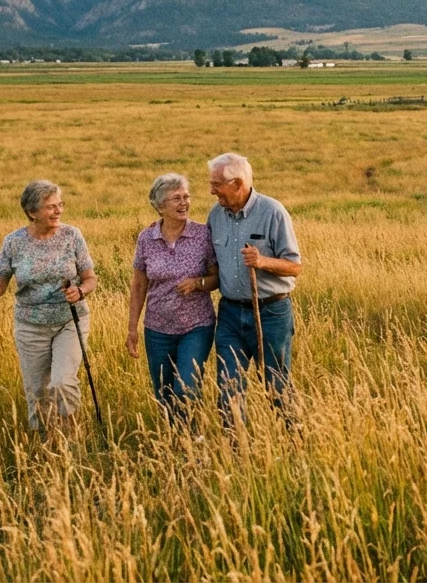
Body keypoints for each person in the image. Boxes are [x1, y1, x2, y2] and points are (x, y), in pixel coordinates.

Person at [0, 180, 98, 434]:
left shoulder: (72, 236)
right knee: (38, 392)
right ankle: (45, 446)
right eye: (50, 207)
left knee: (62, 382)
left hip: (69, 321)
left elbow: (90, 279)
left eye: (60, 205)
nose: (58, 211)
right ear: (32, 212)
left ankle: (71, 440)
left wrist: (80, 291)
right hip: (30, 326)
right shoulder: (14, 242)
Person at [206, 153, 303, 428]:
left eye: (216, 184)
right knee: (228, 388)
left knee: (276, 385)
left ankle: (294, 439)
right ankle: (236, 450)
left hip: (271, 312)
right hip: (230, 313)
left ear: (237, 184)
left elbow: (294, 266)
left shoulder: (273, 212)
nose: (212, 191)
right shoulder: (215, 214)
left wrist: (262, 262)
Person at [127, 173, 220, 424]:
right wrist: (132, 328)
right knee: (164, 394)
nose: (184, 203)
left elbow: (216, 278)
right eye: (176, 198)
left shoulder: (202, 235)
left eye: (186, 196)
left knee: (186, 389)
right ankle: (176, 447)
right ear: (159, 206)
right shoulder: (146, 238)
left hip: (196, 326)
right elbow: (138, 285)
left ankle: (194, 443)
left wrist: (198, 283)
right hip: (157, 329)